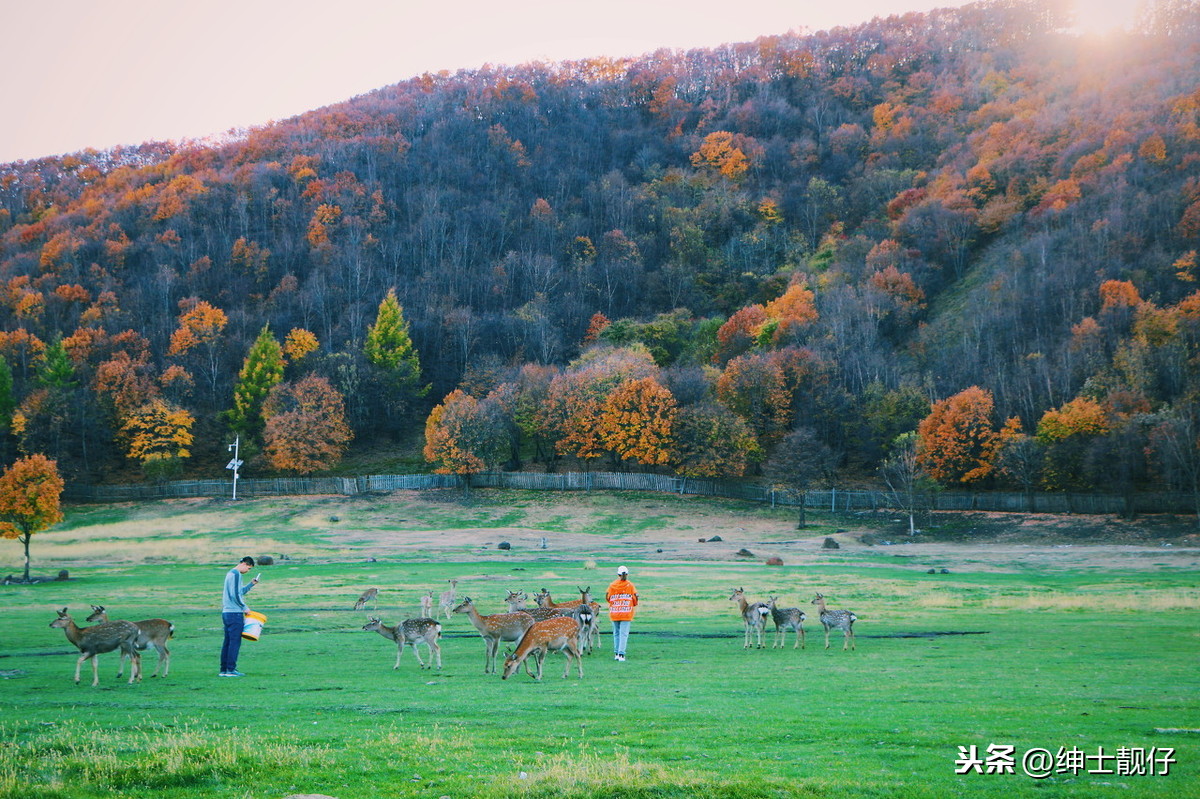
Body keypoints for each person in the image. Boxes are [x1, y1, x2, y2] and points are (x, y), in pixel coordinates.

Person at [220, 556, 259, 677]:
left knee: (227, 642)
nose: (248, 571)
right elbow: (235, 596)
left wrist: (251, 585)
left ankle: (224, 669)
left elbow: (238, 592)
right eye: (249, 568)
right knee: (235, 642)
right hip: (234, 613)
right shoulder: (237, 574)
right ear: (244, 564)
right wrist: (244, 608)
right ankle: (231, 669)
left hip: (226, 612)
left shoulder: (229, 574)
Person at [605, 565, 638, 662]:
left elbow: (608, 598)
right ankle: (621, 654)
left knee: (616, 633)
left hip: (615, 612)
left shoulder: (612, 585)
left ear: (618, 574)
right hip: (626, 613)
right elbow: (635, 599)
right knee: (623, 634)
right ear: (627, 574)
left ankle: (616, 653)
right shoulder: (630, 585)